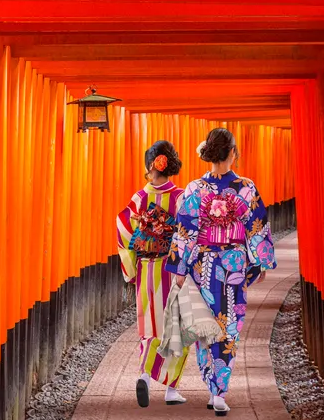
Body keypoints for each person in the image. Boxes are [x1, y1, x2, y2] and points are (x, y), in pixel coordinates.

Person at [166, 128, 278, 417]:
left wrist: (180, 267)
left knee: (207, 325)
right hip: (232, 264)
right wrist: (261, 261)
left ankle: (212, 386)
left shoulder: (194, 189)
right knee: (228, 326)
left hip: (203, 265)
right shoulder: (246, 187)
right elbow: (257, 226)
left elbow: (185, 231)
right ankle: (219, 391)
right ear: (232, 153)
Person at [116, 140, 190, 408]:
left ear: (151, 166)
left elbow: (123, 229)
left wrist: (131, 267)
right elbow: (187, 234)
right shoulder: (181, 197)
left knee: (149, 323)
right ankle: (171, 389)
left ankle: (145, 375)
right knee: (178, 325)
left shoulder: (139, 198)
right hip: (174, 269)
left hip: (147, 268)